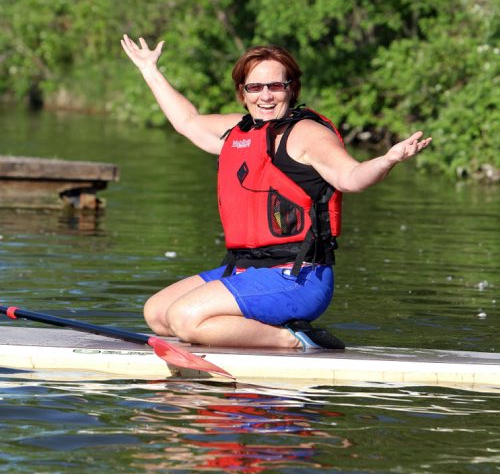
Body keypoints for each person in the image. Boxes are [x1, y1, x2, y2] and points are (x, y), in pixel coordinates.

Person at [121, 35, 432, 350]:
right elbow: (187, 121)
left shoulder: (307, 135)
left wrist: (387, 159)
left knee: (186, 319)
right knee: (158, 314)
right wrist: (149, 69)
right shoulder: (238, 132)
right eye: (255, 87)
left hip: (297, 278)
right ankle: (249, 331)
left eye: (276, 86)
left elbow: (350, 177)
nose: (265, 96)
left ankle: (294, 340)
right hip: (246, 269)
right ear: (243, 93)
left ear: (291, 89)